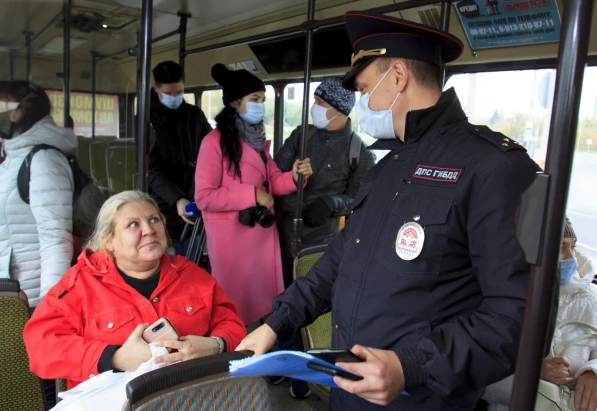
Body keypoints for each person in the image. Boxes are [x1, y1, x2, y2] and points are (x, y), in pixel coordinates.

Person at [237, 12, 541, 411]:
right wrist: (277, 323)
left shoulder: (496, 168)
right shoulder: (387, 169)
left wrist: (411, 367)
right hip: (349, 387)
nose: (362, 104)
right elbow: (338, 263)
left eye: (364, 90)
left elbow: (519, 315)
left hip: (420, 397)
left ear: (397, 77)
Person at [23, 190, 246, 390]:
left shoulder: (193, 276)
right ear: (109, 242)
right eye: (133, 224)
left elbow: (232, 325)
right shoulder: (78, 285)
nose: (149, 230)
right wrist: (114, 357)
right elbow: (41, 346)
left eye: (154, 220)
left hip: (188, 398)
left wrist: (215, 345)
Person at [195, 63, 312, 326]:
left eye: (263, 99)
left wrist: (294, 177)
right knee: (237, 310)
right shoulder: (213, 143)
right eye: (255, 99)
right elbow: (204, 196)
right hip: (232, 241)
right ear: (235, 103)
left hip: (260, 234)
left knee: (264, 309)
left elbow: (273, 182)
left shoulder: (257, 140)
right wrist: (252, 194)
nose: (261, 105)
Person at [482, 218, 597, 411]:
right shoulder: (498, 297)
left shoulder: (591, 298)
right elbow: (475, 376)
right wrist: (528, 374)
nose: (571, 257)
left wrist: (593, 372)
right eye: (561, 247)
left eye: (573, 247)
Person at [0, 81, 76, 308]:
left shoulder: (43, 160)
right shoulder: (14, 156)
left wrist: (49, 307)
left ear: (21, 112)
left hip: (30, 298)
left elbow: (56, 241)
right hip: (8, 290)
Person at [275, 77, 375, 288]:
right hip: (282, 234)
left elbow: (358, 199)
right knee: (280, 290)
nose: (314, 108)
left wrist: (332, 203)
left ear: (338, 110)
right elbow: (274, 174)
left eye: (320, 103)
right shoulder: (301, 135)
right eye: (315, 101)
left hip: (319, 242)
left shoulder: (359, 152)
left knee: (310, 295)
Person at [148, 61, 213, 255]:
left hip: (196, 202)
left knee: (193, 264)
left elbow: (210, 152)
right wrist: (176, 199)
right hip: (163, 206)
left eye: (179, 92)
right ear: (156, 89)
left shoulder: (195, 115)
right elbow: (150, 169)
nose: (175, 97)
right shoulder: (147, 119)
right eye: (169, 94)